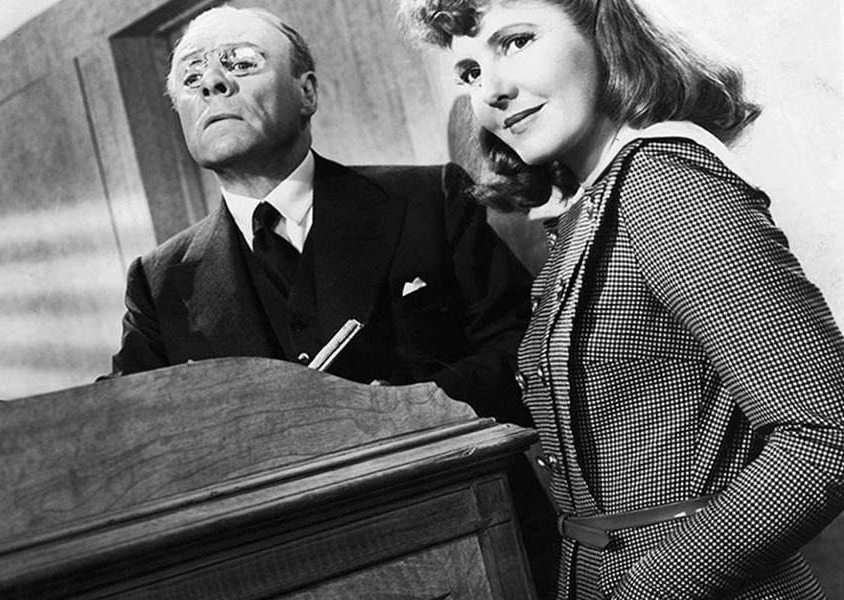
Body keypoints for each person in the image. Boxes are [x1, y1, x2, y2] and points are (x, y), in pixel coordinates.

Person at [104, 5, 559, 593]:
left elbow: (527, 347)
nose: (212, 82)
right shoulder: (159, 280)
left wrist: (408, 410)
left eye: (240, 63)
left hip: (471, 549)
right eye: (192, 76)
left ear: (307, 92)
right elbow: (124, 431)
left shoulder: (430, 196)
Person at [399, 0, 844, 598]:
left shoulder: (664, 182)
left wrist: (650, 587)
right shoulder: (595, 201)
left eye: (517, 41)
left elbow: (825, 436)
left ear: (603, 33)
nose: (493, 91)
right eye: (470, 72)